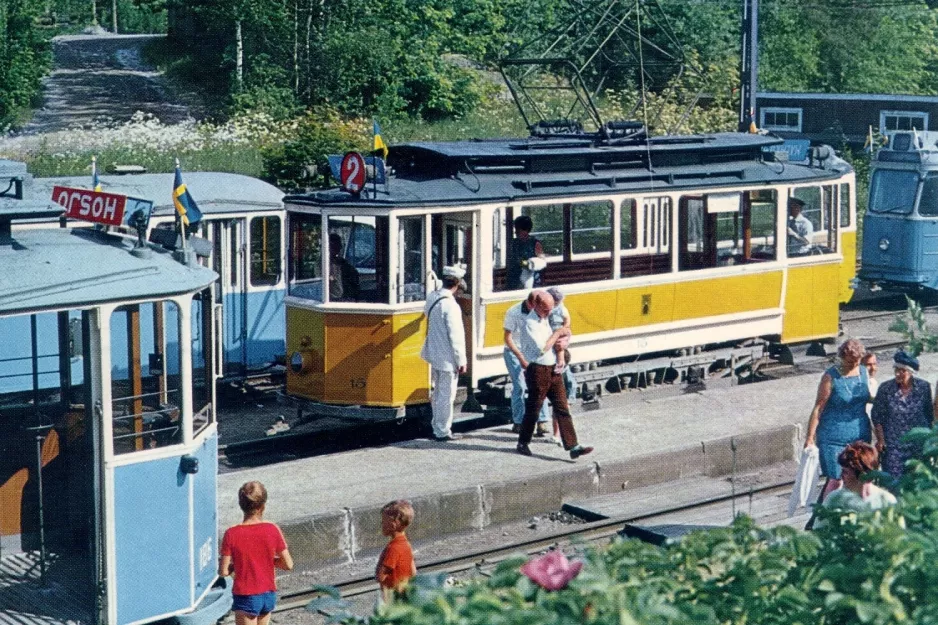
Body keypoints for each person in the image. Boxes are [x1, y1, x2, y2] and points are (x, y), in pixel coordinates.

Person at [516, 290, 593, 459]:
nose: (549, 313)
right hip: (537, 369)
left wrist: (562, 348)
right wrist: (558, 333)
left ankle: (573, 446)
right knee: (534, 408)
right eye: (545, 310)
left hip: (552, 368)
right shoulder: (530, 323)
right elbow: (541, 348)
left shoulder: (545, 319)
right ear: (536, 305)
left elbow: (560, 337)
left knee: (562, 406)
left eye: (550, 309)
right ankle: (523, 442)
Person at [219, 481, 294, 625]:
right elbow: (288, 564)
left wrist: (237, 566)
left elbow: (223, 571)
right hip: (268, 594)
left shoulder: (231, 534)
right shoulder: (272, 529)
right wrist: (267, 560)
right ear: (263, 506)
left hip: (246, 595)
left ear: (241, 505)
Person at [804, 339, 872, 486]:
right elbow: (819, 407)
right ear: (842, 357)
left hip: (860, 434)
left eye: (856, 362)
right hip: (833, 438)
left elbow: (868, 397)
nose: (853, 365)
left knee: (860, 480)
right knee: (836, 481)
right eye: (849, 362)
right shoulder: (830, 377)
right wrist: (810, 437)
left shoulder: (863, 372)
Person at [420, 266, 467, 442]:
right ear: (458, 283)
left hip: (433, 353)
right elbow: (456, 336)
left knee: (437, 393)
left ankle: (437, 426)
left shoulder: (432, 297)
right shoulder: (451, 305)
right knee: (447, 396)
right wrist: (461, 360)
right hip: (447, 357)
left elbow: (426, 314)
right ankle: (442, 431)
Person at [871, 351, 934, 482]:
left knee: (917, 481)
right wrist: (881, 440)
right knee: (893, 483)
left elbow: (929, 415)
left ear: (911, 372)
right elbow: (877, 416)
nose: (898, 374)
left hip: (918, 444)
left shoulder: (924, 387)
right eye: (896, 370)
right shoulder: (886, 389)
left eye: (902, 371)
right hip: (894, 445)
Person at [503, 291, 550, 434]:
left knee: (539, 385)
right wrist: (520, 357)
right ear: (531, 303)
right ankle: (518, 422)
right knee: (520, 385)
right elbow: (508, 338)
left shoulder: (540, 312)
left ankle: (542, 421)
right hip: (515, 351)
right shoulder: (514, 312)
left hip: (534, 352)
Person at [818, 441, 897, 525]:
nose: (841, 476)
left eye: (845, 472)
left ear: (862, 475)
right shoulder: (833, 499)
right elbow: (819, 532)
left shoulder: (886, 500)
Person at [375, 500, 417, 605]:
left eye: (383, 522)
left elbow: (381, 576)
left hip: (393, 596)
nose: (381, 524)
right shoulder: (406, 544)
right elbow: (414, 571)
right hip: (406, 593)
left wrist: (378, 569)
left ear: (393, 525)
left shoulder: (393, 549)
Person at [506, 215, 545, 290]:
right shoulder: (514, 243)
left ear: (525, 230)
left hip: (532, 281)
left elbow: (541, 262)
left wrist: (526, 264)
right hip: (514, 280)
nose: (515, 232)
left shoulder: (535, 243)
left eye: (517, 229)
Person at [328, 232, 360, 302]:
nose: (338, 248)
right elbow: (321, 281)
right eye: (334, 246)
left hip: (345, 298)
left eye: (339, 245)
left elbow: (354, 274)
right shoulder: (322, 263)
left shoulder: (341, 262)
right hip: (331, 300)